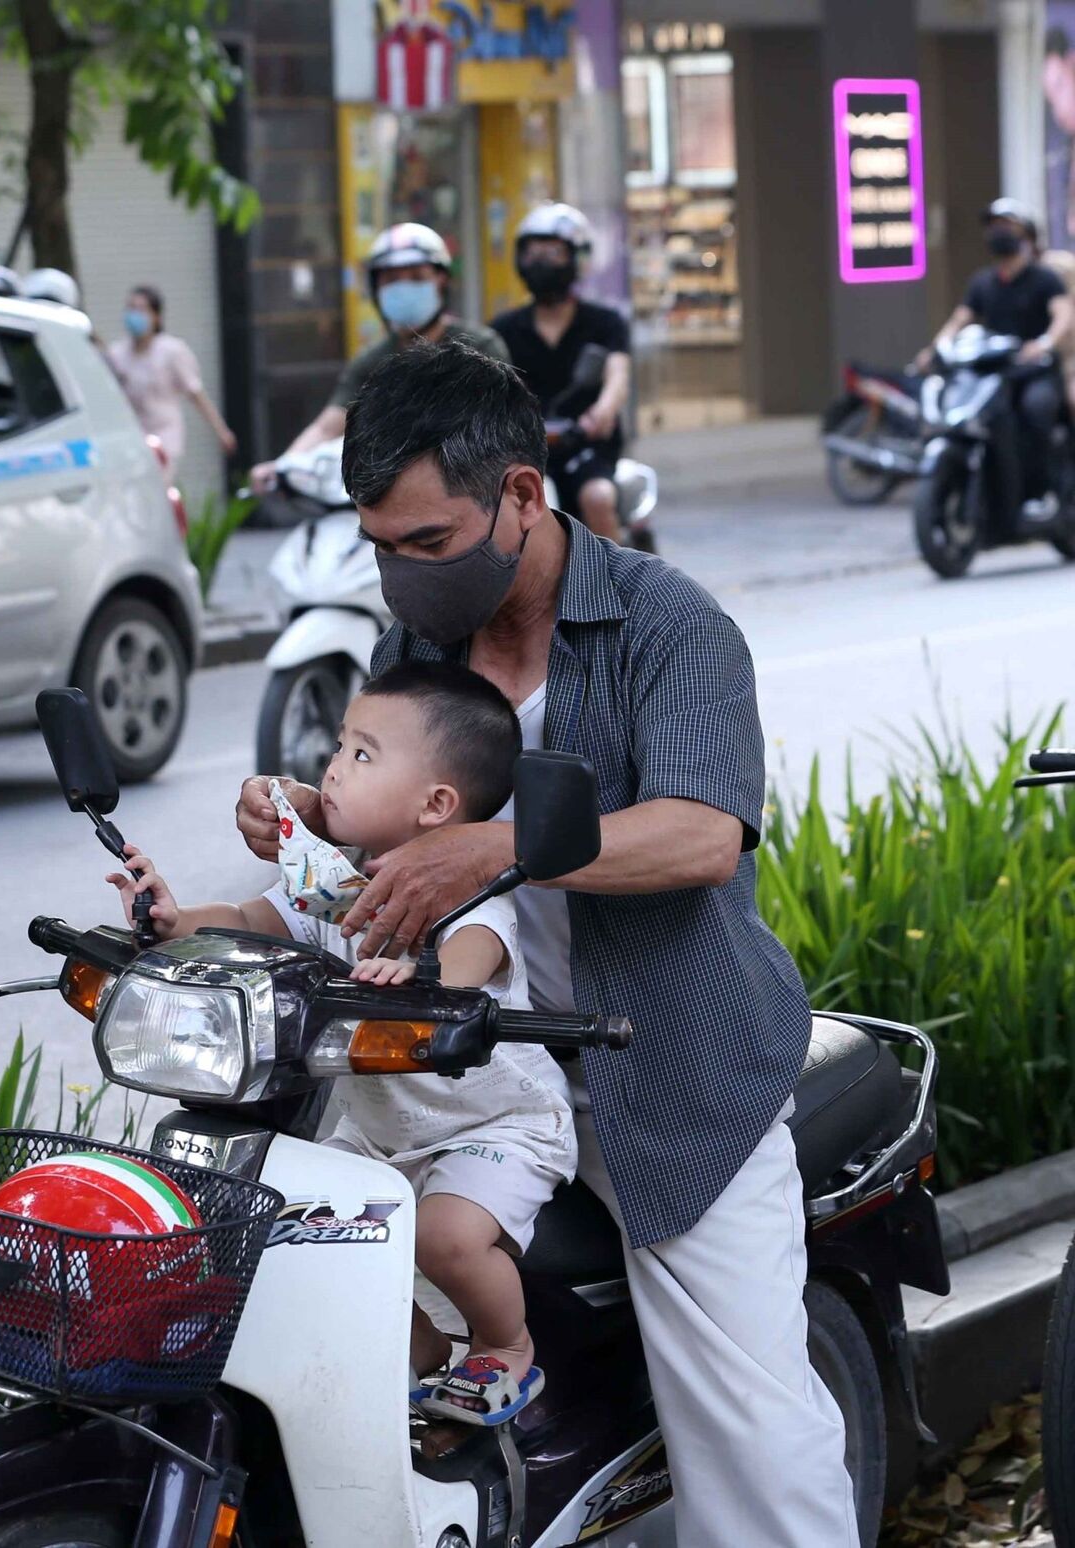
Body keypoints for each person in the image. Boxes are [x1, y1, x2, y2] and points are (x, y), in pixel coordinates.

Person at [233, 340, 861, 1548]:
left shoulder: (668, 624)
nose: (403, 577)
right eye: (381, 548)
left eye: (429, 544)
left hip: (671, 1069)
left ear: (522, 495)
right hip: (469, 1070)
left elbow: (700, 835)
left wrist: (496, 849)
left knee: (753, 1445)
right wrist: (301, 814)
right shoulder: (416, 644)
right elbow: (388, 824)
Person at [107, 662, 573, 1425]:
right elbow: (253, 920)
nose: (331, 767)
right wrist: (171, 917)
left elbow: (469, 964)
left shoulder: (467, 898)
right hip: (380, 1127)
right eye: (338, 745)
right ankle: (418, 1344)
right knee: (298, 1232)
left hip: (495, 1125)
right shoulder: (335, 884)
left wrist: (420, 978)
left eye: (362, 754)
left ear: (436, 805)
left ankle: (505, 1345)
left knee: (447, 1237)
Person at [249, 223, 508, 493]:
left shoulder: (480, 346)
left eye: (417, 277)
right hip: (395, 495)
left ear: (442, 281)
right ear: (376, 289)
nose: (404, 288)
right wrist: (285, 465)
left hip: (473, 489)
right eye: (392, 280)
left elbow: (501, 427)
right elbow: (329, 426)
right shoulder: (372, 361)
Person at [918, 197, 1075, 507]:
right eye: (994, 227)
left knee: (1036, 409)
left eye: (1007, 227)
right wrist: (935, 348)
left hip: (1035, 371)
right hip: (995, 372)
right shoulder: (983, 282)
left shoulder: (1045, 278)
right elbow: (959, 320)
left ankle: (1043, 491)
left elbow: (1063, 316)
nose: (999, 233)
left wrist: (1043, 343)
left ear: (1026, 234)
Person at [491, 203, 632, 543]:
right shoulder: (504, 330)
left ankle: (615, 587)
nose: (540, 261)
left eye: (552, 252)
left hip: (586, 442)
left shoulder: (604, 322)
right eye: (531, 252)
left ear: (576, 257)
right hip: (526, 450)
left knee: (597, 497)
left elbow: (617, 374)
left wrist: (602, 412)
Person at [105, 285, 237, 477]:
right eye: (131, 308)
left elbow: (195, 393)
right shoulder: (117, 354)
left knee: (158, 484)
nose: (134, 315)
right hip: (132, 437)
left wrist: (221, 431)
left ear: (156, 317)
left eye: (141, 309)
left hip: (164, 434)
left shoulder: (172, 351)